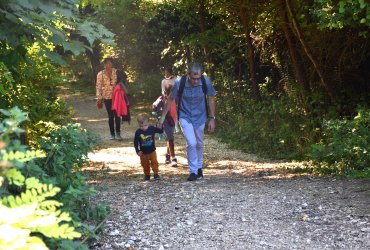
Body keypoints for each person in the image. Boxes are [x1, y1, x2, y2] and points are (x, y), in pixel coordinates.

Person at [157, 62, 216, 181]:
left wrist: (212, 118)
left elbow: (211, 99)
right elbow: (170, 100)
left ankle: (199, 168)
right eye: (194, 79)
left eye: (198, 78)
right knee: (192, 142)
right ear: (188, 74)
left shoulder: (205, 81)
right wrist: (162, 118)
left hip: (200, 117)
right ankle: (193, 171)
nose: (196, 81)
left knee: (199, 143)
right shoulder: (180, 82)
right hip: (185, 116)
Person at [96, 57, 122, 140]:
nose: (109, 65)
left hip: (117, 97)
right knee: (111, 116)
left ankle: (118, 133)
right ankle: (112, 134)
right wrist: (99, 98)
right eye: (107, 63)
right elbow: (98, 87)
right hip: (107, 98)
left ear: (112, 64)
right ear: (104, 64)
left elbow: (122, 82)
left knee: (117, 115)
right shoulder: (100, 74)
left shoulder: (116, 72)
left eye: (110, 63)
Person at [152, 84, 178, 167]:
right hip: (166, 120)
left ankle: (168, 155)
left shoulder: (176, 98)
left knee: (169, 138)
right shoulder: (162, 99)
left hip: (173, 121)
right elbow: (154, 107)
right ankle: (173, 158)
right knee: (170, 138)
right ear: (166, 92)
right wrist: (160, 115)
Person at [134, 113, 163, 181]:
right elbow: (135, 142)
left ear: (148, 123)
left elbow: (160, 131)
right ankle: (147, 175)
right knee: (145, 164)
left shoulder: (152, 129)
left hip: (152, 151)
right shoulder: (138, 132)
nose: (143, 127)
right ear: (139, 125)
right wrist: (137, 151)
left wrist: (160, 126)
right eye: (141, 126)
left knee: (154, 162)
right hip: (143, 152)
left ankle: (156, 174)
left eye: (145, 125)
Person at [161, 67, 179, 133]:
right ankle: (169, 125)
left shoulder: (176, 79)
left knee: (175, 112)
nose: (166, 74)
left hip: (175, 97)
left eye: (167, 72)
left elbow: (178, 89)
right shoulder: (163, 81)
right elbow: (162, 90)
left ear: (171, 73)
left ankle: (176, 127)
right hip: (166, 98)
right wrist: (164, 94)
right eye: (165, 73)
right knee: (168, 112)